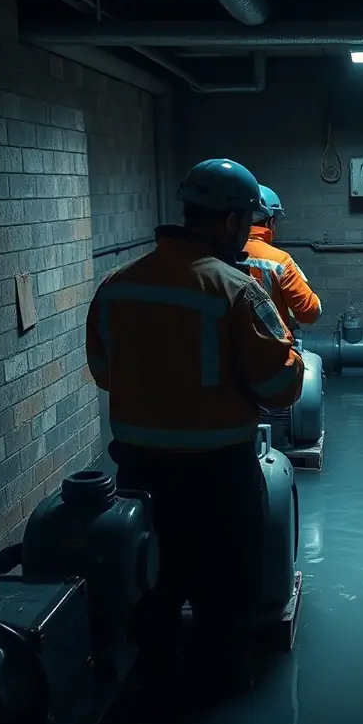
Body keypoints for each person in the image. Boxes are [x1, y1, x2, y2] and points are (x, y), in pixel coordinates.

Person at [85, 158, 304, 696]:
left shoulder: (117, 285)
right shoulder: (236, 290)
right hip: (219, 476)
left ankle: (154, 682)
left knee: (150, 580)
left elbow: (103, 372)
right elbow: (281, 389)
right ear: (231, 222)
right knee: (226, 590)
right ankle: (219, 691)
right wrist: (291, 357)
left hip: (137, 470)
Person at [243, 185, 322, 328]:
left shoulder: (217, 254)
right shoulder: (279, 261)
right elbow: (310, 312)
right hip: (270, 347)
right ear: (271, 222)